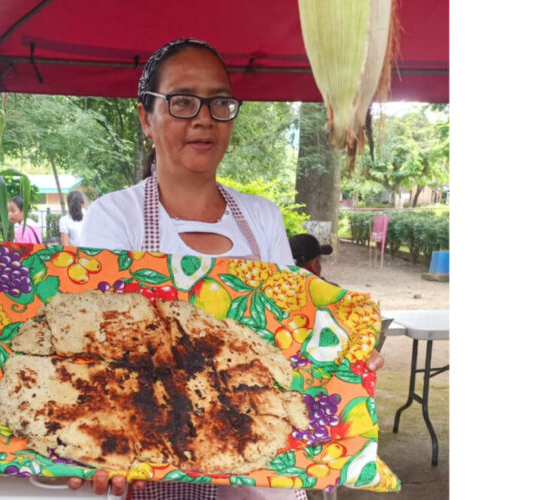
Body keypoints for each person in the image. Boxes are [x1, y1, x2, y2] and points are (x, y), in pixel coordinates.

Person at [75, 39, 382, 499]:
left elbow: (287, 336)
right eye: (182, 101)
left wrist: (344, 362)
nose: (203, 118)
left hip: (255, 450)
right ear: (146, 118)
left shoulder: (261, 218)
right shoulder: (115, 217)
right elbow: (105, 350)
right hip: (153, 449)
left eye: (219, 102)